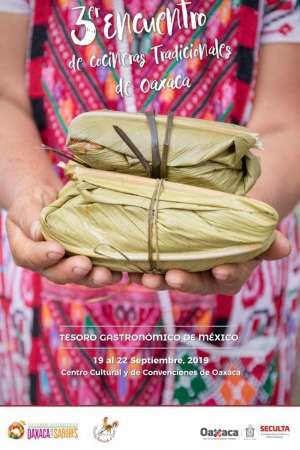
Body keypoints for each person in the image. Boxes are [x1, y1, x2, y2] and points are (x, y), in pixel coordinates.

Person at [0, 0, 299, 406]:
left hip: (231, 299)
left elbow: (287, 120)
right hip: (56, 291)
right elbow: (4, 94)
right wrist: (29, 192)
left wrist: (232, 230)